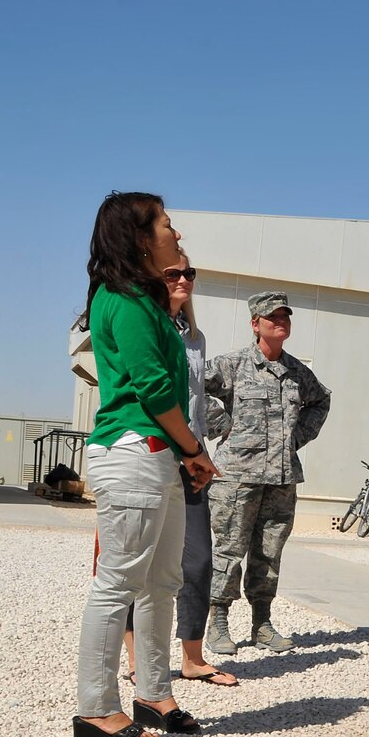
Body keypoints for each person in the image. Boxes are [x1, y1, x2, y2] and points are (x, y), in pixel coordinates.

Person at [73, 194, 219, 737]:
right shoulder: (124, 300)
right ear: (138, 238)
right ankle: (95, 708)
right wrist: (196, 451)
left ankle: (155, 693)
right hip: (134, 450)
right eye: (164, 223)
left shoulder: (149, 304)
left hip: (157, 455)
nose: (175, 231)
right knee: (117, 584)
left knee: (162, 582)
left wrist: (183, 452)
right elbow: (154, 388)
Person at [122, 257, 236, 687]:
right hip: (151, 448)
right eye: (173, 273)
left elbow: (192, 396)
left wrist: (205, 438)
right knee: (142, 558)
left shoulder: (196, 338)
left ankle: (192, 656)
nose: (184, 280)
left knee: (199, 560)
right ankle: (136, 659)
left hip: (191, 453)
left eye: (190, 273)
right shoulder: (145, 325)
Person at [202, 291, 331, 654]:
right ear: (255, 324)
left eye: (285, 316)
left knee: (269, 553)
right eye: (272, 317)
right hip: (236, 476)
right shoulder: (231, 365)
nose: (281, 322)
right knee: (229, 549)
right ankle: (219, 621)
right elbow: (188, 384)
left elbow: (321, 401)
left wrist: (295, 438)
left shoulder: (297, 372)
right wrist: (220, 423)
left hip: (281, 477)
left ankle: (262, 623)